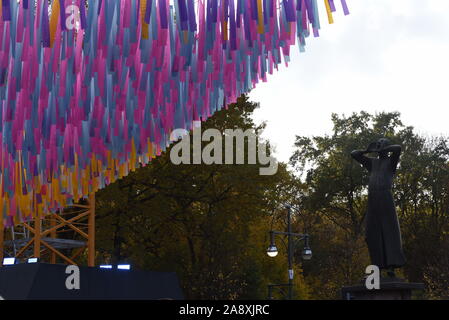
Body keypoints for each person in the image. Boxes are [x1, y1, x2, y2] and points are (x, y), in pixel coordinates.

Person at [351, 138, 406, 277]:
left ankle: (391, 266)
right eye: (378, 143)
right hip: (373, 198)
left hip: (385, 196)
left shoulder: (391, 162)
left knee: (389, 231)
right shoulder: (372, 163)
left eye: (382, 143)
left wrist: (384, 149)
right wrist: (367, 150)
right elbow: (354, 154)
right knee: (371, 233)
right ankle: (376, 267)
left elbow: (398, 148)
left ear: (386, 147)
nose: (379, 145)